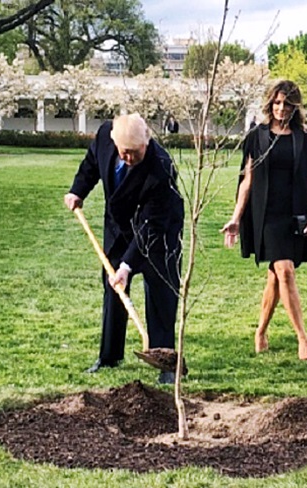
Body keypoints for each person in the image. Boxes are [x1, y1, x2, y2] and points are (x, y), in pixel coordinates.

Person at [64, 114, 184, 384]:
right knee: (113, 288)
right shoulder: (106, 135)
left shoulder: (161, 167)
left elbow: (151, 225)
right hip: (118, 229)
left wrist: (127, 266)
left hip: (157, 233)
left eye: (135, 152)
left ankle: (164, 362)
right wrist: (77, 190)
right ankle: (109, 355)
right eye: (124, 153)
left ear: (147, 141)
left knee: (161, 293)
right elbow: (91, 165)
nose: (129, 157)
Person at [221, 80, 307, 361]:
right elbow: (247, 180)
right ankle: (303, 338)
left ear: (295, 107)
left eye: (287, 104)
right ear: (270, 104)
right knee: (286, 271)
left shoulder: (303, 139)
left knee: (276, 278)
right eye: (277, 103)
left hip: (294, 214)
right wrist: (236, 218)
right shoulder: (257, 136)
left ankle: (261, 331)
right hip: (266, 215)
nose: (281, 108)